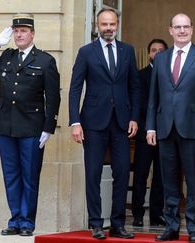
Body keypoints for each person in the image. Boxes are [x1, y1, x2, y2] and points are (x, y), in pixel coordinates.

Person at [0, 13, 61, 237]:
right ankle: (14, 219)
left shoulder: (45, 60)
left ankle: (26, 222)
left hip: (32, 128)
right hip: (6, 126)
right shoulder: (7, 57)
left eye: (24, 30)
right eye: (16, 31)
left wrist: (48, 127)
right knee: (11, 175)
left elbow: (53, 97)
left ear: (32, 34)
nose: (19, 34)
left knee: (30, 176)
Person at [146, 13, 195, 243]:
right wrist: (150, 127)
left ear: (192, 29)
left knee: (194, 182)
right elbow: (153, 98)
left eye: (185, 27)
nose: (181, 31)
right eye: (177, 27)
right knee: (168, 182)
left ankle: (194, 229)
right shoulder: (160, 59)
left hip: (194, 130)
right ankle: (171, 226)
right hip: (165, 128)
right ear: (170, 30)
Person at [68, 8, 140, 240]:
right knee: (93, 173)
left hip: (121, 122)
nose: (108, 28)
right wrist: (75, 122)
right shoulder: (86, 52)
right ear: (97, 26)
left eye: (112, 24)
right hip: (92, 122)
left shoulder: (127, 51)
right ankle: (96, 223)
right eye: (104, 24)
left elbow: (135, 87)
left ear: (117, 25)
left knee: (121, 172)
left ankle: (118, 224)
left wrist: (134, 117)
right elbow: (75, 88)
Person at [131, 39, 168, 228]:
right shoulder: (140, 75)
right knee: (140, 175)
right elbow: (139, 103)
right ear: (149, 54)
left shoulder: (172, 75)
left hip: (165, 134)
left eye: (161, 50)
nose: (157, 53)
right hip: (145, 131)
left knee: (161, 177)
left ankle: (156, 215)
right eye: (154, 50)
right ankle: (137, 214)